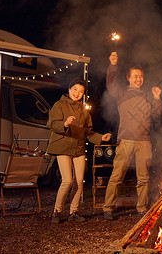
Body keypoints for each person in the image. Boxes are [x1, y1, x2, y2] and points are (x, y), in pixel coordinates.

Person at [103, 52, 162, 220]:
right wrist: (113, 65)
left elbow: (157, 116)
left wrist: (157, 98)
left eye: (141, 77)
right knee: (117, 176)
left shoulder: (148, 97)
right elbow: (111, 83)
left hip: (144, 141)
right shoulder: (121, 94)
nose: (138, 79)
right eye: (135, 76)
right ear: (128, 78)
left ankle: (142, 208)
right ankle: (108, 208)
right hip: (126, 140)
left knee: (143, 178)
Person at [47, 78, 111, 224]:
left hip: (78, 148)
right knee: (67, 180)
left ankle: (73, 212)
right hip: (63, 146)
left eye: (81, 91)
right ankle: (56, 212)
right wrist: (65, 123)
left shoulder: (83, 110)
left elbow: (88, 131)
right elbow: (52, 124)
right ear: (69, 89)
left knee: (79, 182)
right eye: (75, 89)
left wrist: (102, 138)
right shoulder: (59, 105)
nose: (78, 93)